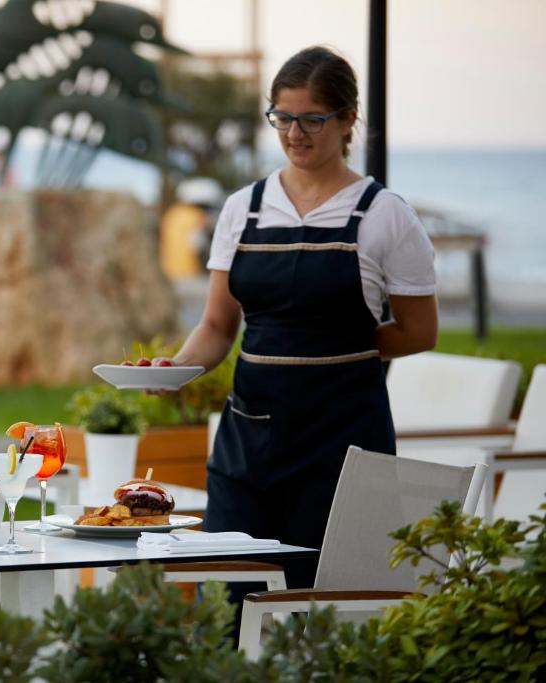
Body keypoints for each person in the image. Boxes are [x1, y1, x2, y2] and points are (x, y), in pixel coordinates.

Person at [166, 46, 438, 586]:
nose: (295, 133)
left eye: (312, 119)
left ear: (348, 119)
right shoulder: (243, 208)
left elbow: (419, 331)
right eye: (282, 118)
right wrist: (175, 369)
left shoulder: (384, 215)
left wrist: (333, 347)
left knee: (333, 601)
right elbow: (218, 326)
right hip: (249, 447)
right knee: (234, 595)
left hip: (345, 442)